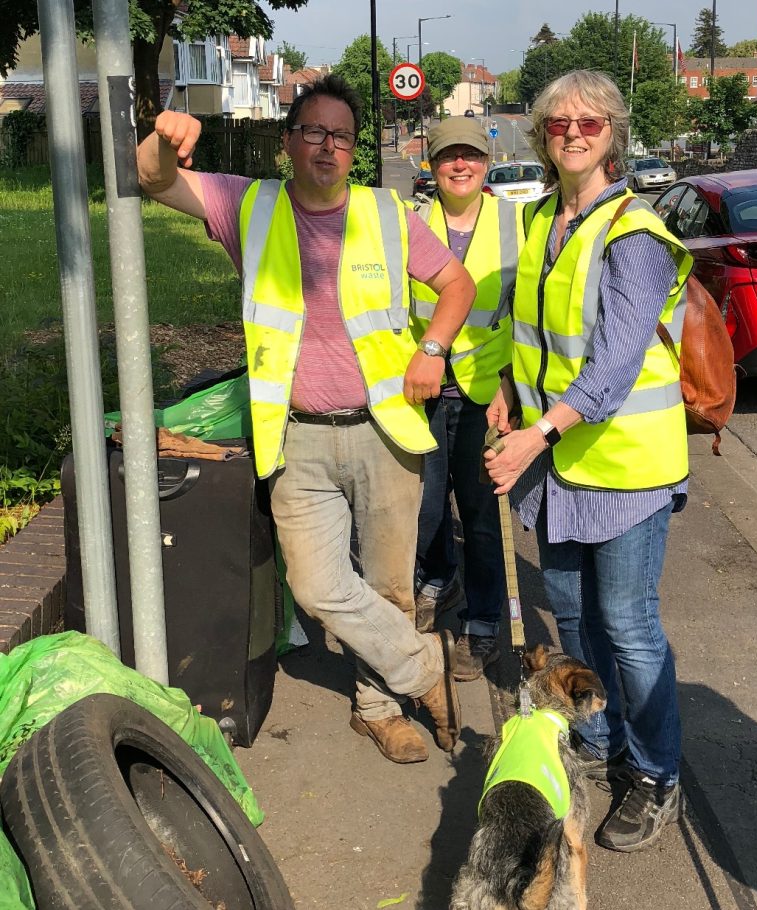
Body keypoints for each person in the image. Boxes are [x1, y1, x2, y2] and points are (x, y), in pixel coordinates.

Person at [136, 75, 477, 765]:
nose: (328, 146)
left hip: (386, 430)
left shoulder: (386, 214)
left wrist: (434, 348)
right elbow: (152, 179)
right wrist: (165, 136)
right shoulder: (247, 205)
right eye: (314, 132)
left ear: (355, 149)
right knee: (317, 586)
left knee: (386, 584)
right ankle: (424, 668)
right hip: (296, 433)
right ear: (289, 141)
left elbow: (456, 284)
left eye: (342, 136)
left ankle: (378, 707)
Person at [485, 70, 693, 853]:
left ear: (614, 132)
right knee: (571, 613)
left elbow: (610, 366)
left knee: (629, 626)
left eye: (589, 122)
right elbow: (529, 325)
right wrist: (509, 388)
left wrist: (535, 435)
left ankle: (656, 772)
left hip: (623, 461)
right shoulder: (542, 219)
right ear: (541, 135)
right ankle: (599, 740)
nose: (573, 132)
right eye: (558, 122)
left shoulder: (633, 231)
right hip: (558, 463)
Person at [410, 117, 524, 680]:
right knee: (426, 508)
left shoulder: (515, 222)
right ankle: (436, 578)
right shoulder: (409, 223)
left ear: (486, 163)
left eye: (472, 156)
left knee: (481, 514)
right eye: (450, 156)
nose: (461, 165)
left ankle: (482, 625)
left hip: (487, 392)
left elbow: (526, 313)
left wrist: (510, 380)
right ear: (432, 165)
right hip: (422, 392)